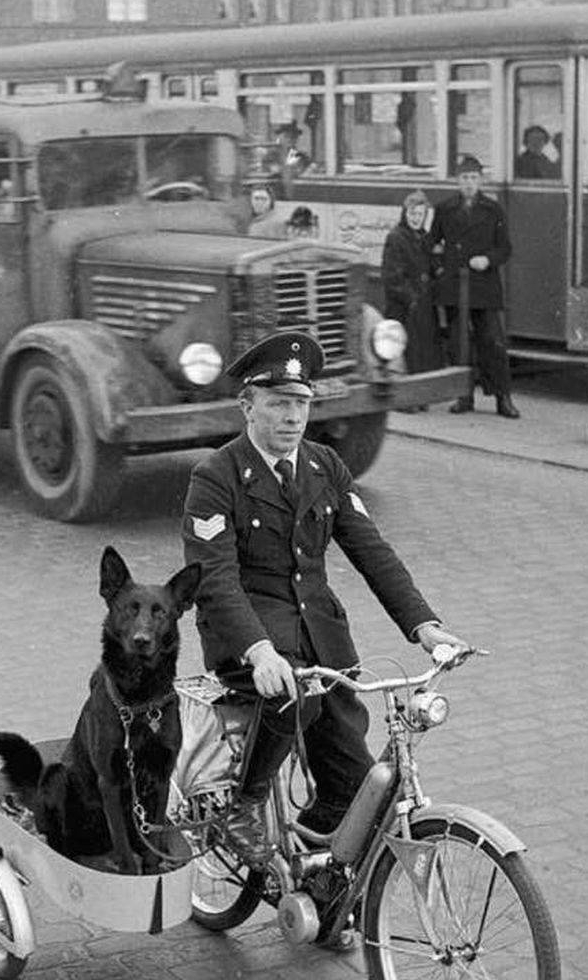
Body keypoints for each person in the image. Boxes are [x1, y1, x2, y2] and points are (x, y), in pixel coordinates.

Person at [182, 330, 466, 864]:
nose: (292, 418)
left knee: (359, 787)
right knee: (294, 698)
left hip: (324, 645)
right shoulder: (215, 477)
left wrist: (424, 626)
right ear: (247, 406)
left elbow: (370, 549)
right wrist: (258, 651)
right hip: (251, 643)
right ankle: (243, 804)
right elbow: (214, 579)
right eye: (278, 404)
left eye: (301, 405)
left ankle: (313, 867)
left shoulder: (324, 467)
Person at [431, 155, 520, 419]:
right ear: (457, 181)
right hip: (456, 287)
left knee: (493, 342)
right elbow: (433, 243)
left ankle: (503, 399)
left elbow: (505, 249)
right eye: (464, 178)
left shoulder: (493, 210)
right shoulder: (445, 209)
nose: (469, 183)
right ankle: (464, 396)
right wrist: (440, 267)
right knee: (460, 344)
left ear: (480, 180)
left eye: (473, 178)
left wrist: (488, 259)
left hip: (484, 287)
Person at [381, 189, 442, 394]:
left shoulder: (425, 237)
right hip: (404, 306)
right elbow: (392, 276)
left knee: (422, 351)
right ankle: (407, 395)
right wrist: (411, 297)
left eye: (420, 214)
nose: (416, 218)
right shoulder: (396, 237)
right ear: (405, 213)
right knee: (406, 351)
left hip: (422, 302)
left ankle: (420, 393)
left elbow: (432, 266)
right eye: (412, 214)